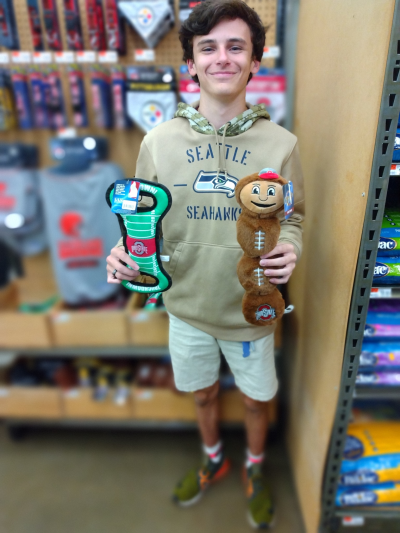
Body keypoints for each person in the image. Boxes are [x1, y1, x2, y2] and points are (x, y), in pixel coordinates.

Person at [106, 0, 305, 528]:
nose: (222, 57)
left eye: (236, 47)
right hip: (187, 308)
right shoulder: (158, 142)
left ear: (255, 61)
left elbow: (293, 218)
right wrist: (123, 253)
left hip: (250, 310)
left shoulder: (281, 145)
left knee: (257, 401)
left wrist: (290, 247)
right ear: (190, 63)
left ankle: (255, 467)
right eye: (208, 48)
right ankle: (214, 460)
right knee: (203, 394)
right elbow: (140, 220)